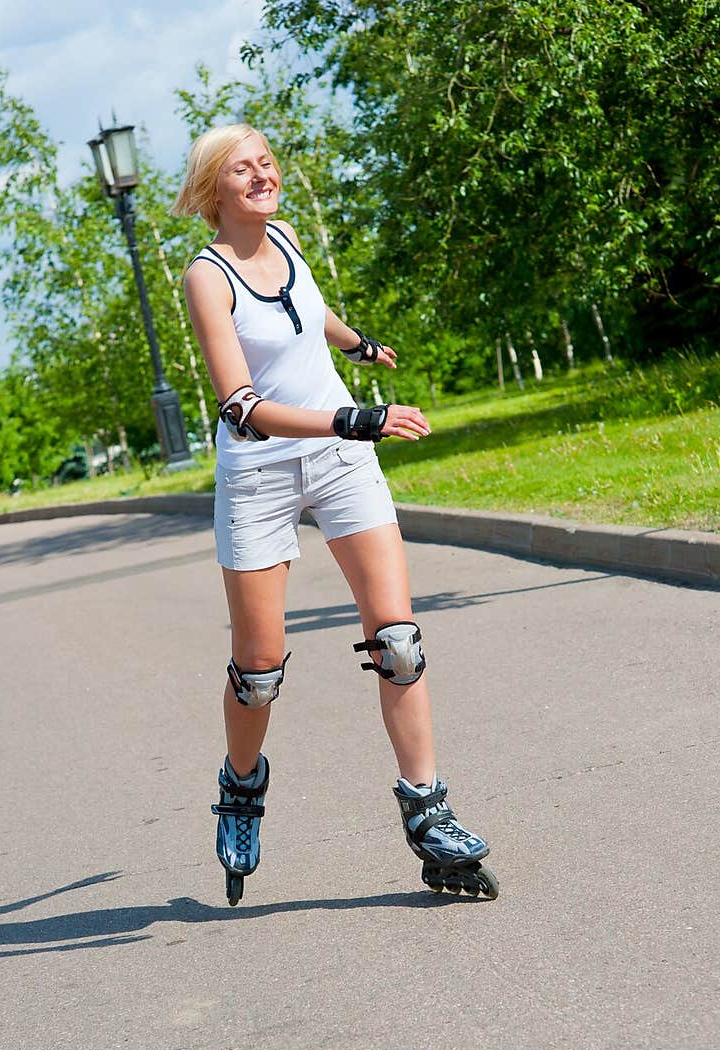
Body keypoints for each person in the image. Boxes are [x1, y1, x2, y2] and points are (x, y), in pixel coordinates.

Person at [172, 124, 498, 905]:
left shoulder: (284, 237)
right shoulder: (205, 276)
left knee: (400, 641)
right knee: (259, 671)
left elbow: (304, 312)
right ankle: (241, 787)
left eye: (266, 163)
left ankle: (428, 812)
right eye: (241, 169)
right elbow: (242, 407)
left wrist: (357, 347)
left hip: (339, 458)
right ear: (215, 187)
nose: (260, 176)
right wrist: (355, 419)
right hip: (259, 471)